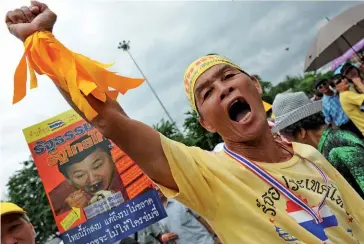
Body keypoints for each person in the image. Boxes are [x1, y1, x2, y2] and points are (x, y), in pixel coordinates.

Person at [5, 3, 364, 243]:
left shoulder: (309, 155)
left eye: (228, 77)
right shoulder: (205, 173)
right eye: (206, 94)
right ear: (206, 123)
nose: (222, 90)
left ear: (254, 85)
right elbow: (109, 119)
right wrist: (42, 42)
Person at [272, 91, 364, 196]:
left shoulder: (336, 149)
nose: (287, 142)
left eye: (286, 136)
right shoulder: (328, 144)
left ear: (301, 132)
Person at [49, 134, 129, 215]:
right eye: (80, 175)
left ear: (112, 157)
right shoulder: (61, 197)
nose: (92, 179)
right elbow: (64, 224)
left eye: (97, 166)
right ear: (68, 180)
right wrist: (74, 212)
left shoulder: (130, 170)